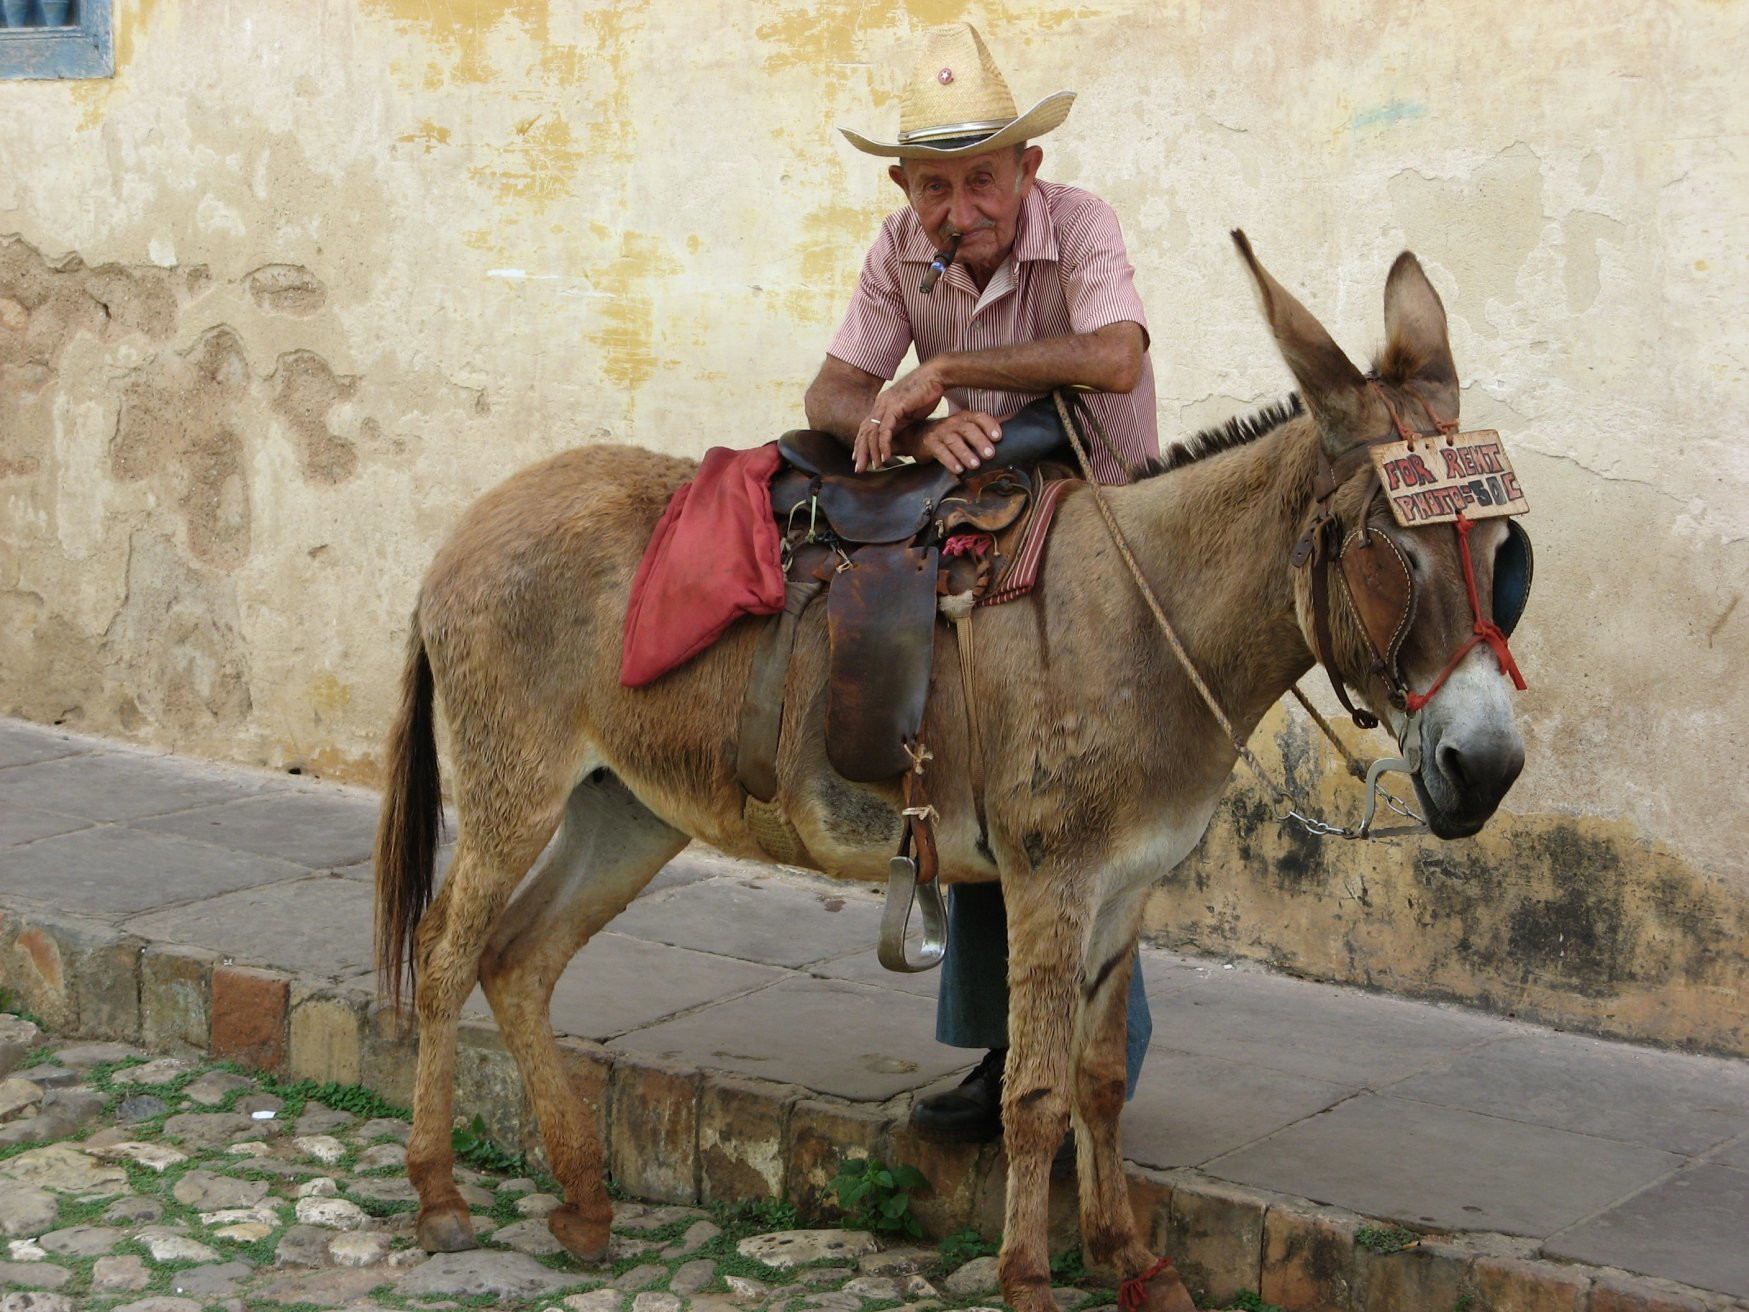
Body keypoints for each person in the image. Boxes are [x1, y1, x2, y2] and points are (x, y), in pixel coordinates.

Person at [803, 22, 1158, 1144]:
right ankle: (1012, 1058)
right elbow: (829, 392)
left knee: (1078, 814)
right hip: (992, 527)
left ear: (1029, 173)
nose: (963, 208)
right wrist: (906, 420)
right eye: (938, 186)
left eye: (985, 180)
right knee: (977, 780)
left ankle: (1088, 1068)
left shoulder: (1084, 225)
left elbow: (1115, 357)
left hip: (1106, 523)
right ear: (907, 185)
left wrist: (952, 372)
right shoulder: (894, 250)